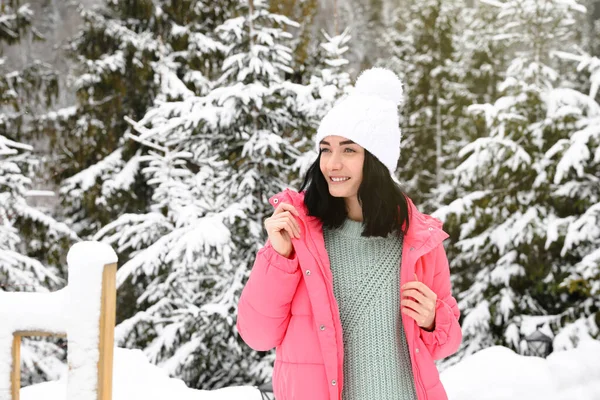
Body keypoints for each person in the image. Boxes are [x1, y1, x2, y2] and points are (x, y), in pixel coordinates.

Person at [236, 67, 462, 400]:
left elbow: (445, 344)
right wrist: (279, 257)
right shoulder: (300, 235)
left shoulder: (420, 241)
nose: (332, 164)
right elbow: (257, 335)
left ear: (377, 160)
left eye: (349, 150)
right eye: (326, 149)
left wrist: (433, 319)